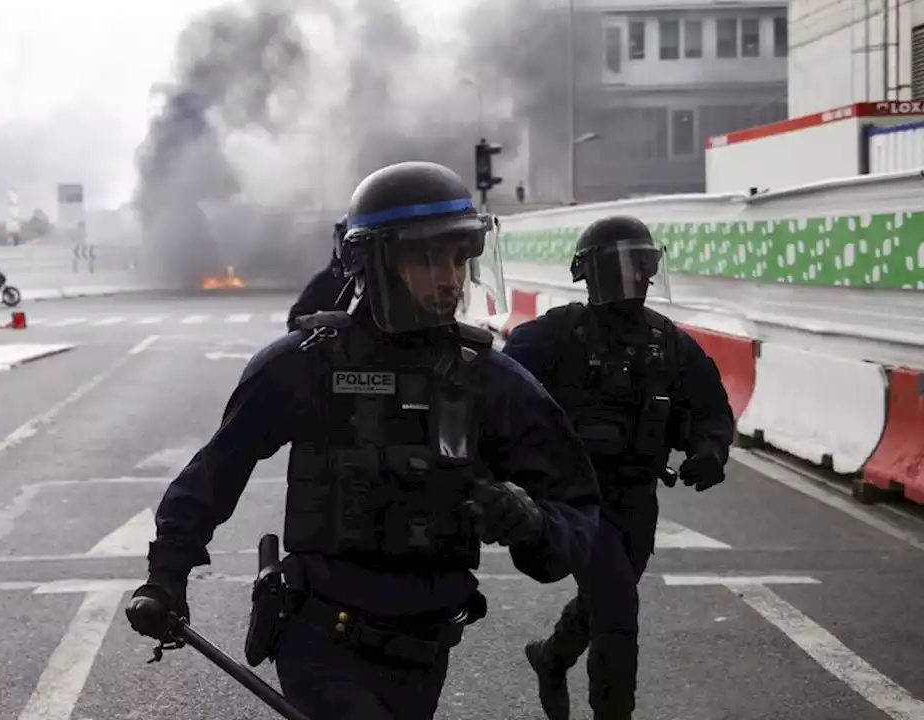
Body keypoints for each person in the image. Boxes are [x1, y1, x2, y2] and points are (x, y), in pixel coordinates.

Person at [125, 161, 601, 720]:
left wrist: (530, 522)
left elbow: (575, 512)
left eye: (458, 257)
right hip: (318, 641)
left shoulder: (490, 382)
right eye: (426, 258)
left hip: (426, 652)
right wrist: (166, 576)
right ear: (374, 263)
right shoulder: (303, 367)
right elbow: (214, 473)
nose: (449, 277)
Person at [502, 215, 735, 720]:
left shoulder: (669, 342)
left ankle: (551, 656)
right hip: (579, 500)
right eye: (625, 267)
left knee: (609, 594)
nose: (638, 279)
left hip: (636, 499)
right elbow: (500, 397)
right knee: (618, 611)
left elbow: (712, 411)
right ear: (592, 274)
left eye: (644, 266)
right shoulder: (555, 336)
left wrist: (709, 452)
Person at [286, 215, 351, 332]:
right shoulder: (326, 279)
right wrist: (329, 321)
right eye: (346, 243)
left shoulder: (379, 277)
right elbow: (295, 320)